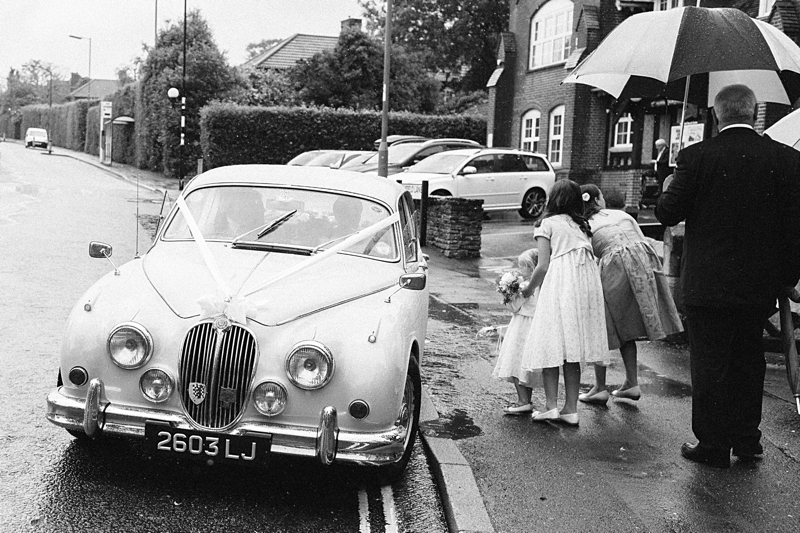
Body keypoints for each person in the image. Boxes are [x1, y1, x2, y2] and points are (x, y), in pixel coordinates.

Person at [656, 84, 800, 468]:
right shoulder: (785, 159)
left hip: (708, 285)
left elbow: (667, 214)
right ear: (754, 113)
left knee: (710, 363)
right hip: (757, 286)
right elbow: (793, 225)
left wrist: (667, 182)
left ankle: (714, 445)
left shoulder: (695, 157)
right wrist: (787, 275)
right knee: (748, 361)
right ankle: (747, 440)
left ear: (717, 116)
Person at [579, 184, 683, 405]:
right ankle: (631, 382)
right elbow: (640, 237)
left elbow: (589, 255)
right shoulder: (621, 215)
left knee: (604, 326)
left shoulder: (585, 225)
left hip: (613, 266)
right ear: (597, 200)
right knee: (626, 328)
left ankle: (599, 387)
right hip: (642, 264)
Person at [520, 179, 609, 426]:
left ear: (554, 198)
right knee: (571, 349)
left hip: (562, 282)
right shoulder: (582, 225)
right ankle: (571, 409)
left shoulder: (547, 223)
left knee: (551, 340)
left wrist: (528, 289)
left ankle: (550, 406)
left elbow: (543, 265)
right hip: (586, 285)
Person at [492, 249, 540, 415]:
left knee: (516, 361)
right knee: (526, 365)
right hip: (535, 326)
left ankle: (522, 400)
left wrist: (507, 294)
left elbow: (514, 307)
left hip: (522, 327)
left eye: (523, 267)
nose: (521, 271)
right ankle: (527, 399)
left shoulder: (526, 287)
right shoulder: (542, 286)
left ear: (531, 268)